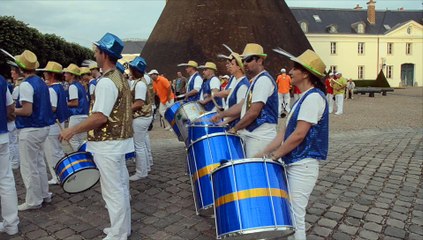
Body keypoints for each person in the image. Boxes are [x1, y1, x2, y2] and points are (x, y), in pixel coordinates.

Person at [60, 32, 134, 239]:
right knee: (119, 186)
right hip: (117, 143)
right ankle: (121, 229)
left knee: (113, 190)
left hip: (108, 144)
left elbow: (100, 117)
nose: (94, 54)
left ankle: (118, 233)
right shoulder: (119, 78)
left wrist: (72, 130)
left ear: (104, 54)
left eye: (96, 51)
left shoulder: (106, 82)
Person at [257, 49, 329, 240]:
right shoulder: (302, 98)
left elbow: (298, 135)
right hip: (295, 163)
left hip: (303, 165)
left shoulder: (313, 98)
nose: (289, 72)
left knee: (296, 216)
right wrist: (262, 153)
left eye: (294, 68)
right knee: (289, 213)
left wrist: (275, 156)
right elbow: (284, 133)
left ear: (305, 73)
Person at [214, 43, 278, 157]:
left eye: (248, 59)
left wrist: (235, 128)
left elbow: (253, 112)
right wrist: (221, 115)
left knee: (256, 173)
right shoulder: (255, 80)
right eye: (243, 60)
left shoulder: (263, 80)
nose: (245, 63)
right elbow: (242, 106)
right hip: (253, 135)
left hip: (260, 137)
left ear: (260, 61)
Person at [13, 50, 54, 211]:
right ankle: (44, 194)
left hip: (30, 128)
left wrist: (11, 111)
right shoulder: (41, 82)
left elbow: (27, 110)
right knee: (38, 163)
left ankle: (33, 200)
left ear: (20, 69)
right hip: (42, 127)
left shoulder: (25, 85)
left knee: (29, 167)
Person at [38, 61, 69, 185]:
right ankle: (62, 173)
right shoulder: (60, 87)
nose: (44, 73)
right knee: (57, 151)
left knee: (52, 153)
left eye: (46, 72)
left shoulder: (51, 89)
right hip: (58, 123)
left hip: (52, 123)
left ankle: (57, 176)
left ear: (51, 74)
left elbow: (53, 107)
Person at [128, 57, 154, 181]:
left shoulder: (140, 84)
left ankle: (141, 172)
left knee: (138, 145)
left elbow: (138, 103)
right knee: (141, 144)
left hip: (140, 117)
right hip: (143, 117)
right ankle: (145, 167)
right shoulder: (141, 81)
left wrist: (126, 111)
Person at [0, 74, 19, 235]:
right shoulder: (1, 80)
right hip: (2, 136)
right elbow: (10, 109)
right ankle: (11, 224)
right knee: (6, 180)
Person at [214, 52, 250, 127]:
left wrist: (224, 121)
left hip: (237, 127)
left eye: (232, 64)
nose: (229, 66)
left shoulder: (243, 85)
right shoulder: (236, 82)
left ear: (239, 67)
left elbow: (240, 110)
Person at [63, 64, 89, 151]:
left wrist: (64, 104)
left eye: (67, 73)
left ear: (72, 75)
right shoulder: (80, 85)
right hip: (83, 115)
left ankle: (78, 158)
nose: (65, 75)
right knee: (81, 140)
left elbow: (75, 103)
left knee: (73, 140)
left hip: (76, 115)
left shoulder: (73, 86)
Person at [6, 60, 23, 169]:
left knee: (12, 142)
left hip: (16, 117)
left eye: (13, 72)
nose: (11, 74)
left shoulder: (18, 88)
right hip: (19, 117)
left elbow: (13, 105)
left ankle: (14, 162)